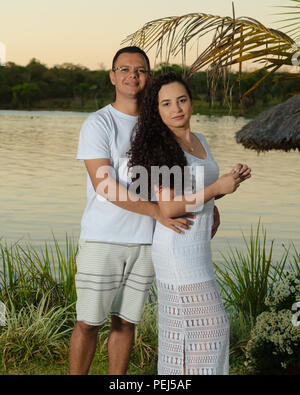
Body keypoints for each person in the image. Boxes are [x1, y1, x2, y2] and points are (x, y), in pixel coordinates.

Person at [69, 47, 203, 375]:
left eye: (140, 69)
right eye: (125, 69)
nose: (133, 75)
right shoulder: (99, 123)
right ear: (113, 76)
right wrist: (157, 211)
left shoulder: (160, 123)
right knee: (88, 322)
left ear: (149, 77)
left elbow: (179, 177)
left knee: (126, 323)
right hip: (105, 238)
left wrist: (207, 209)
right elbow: (104, 185)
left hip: (148, 242)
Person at [128, 72, 251, 375]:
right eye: (166, 103)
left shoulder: (200, 140)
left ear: (191, 102)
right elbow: (169, 207)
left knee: (189, 334)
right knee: (213, 328)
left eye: (181, 100)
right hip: (176, 247)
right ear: (156, 111)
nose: (176, 108)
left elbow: (195, 192)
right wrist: (215, 190)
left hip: (197, 248)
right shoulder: (162, 146)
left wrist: (225, 190)